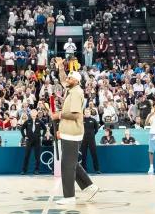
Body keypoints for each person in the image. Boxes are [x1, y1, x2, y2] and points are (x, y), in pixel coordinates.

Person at [50, 60, 98, 206]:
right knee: (72, 163)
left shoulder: (76, 93)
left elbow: (76, 115)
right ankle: (90, 187)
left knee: (66, 165)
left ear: (76, 81)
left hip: (73, 133)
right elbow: (63, 79)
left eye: (70, 79)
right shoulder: (71, 89)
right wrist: (60, 67)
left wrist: (58, 115)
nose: (67, 80)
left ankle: (69, 197)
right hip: (68, 132)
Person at [20, 108, 45, 174]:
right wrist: (24, 136)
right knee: (26, 155)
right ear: (30, 114)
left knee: (37, 156)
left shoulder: (40, 121)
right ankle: (24, 170)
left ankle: (37, 170)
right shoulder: (27, 121)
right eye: (32, 113)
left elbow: (45, 129)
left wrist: (42, 135)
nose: (33, 114)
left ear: (36, 114)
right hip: (29, 140)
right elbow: (22, 129)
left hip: (37, 141)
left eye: (34, 113)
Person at [80, 108, 101, 174]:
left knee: (94, 154)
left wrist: (92, 135)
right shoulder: (81, 120)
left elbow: (96, 129)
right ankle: (84, 170)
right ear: (84, 113)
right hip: (83, 140)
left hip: (91, 140)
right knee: (84, 155)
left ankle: (97, 169)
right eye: (86, 112)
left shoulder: (93, 120)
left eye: (88, 112)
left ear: (90, 113)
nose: (87, 113)